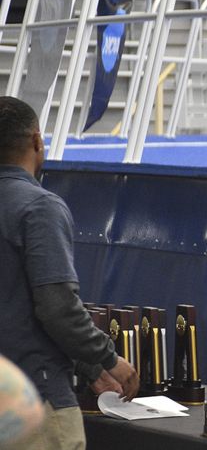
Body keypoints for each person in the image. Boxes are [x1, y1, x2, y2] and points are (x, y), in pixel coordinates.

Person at [0, 96, 139, 450]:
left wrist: (90, 368)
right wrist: (107, 359)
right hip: (32, 400)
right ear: (36, 141)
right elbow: (56, 307)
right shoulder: (38, 208)